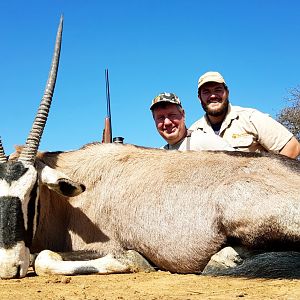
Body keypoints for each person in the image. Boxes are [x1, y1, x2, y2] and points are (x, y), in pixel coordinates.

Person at [189, 71, 300, 159]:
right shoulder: (193, 132)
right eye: (206, 92)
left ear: (227, 93)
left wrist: (264, 182)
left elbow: (292, 147)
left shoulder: (251, 118)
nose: (213, 96)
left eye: (218, 90)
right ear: (199, 98)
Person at [150, 92, 233, 151]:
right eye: (160, 117)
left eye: (172, 115)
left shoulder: (204, 140)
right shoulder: (160, 154)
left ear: (183, 114)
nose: (167, 122)